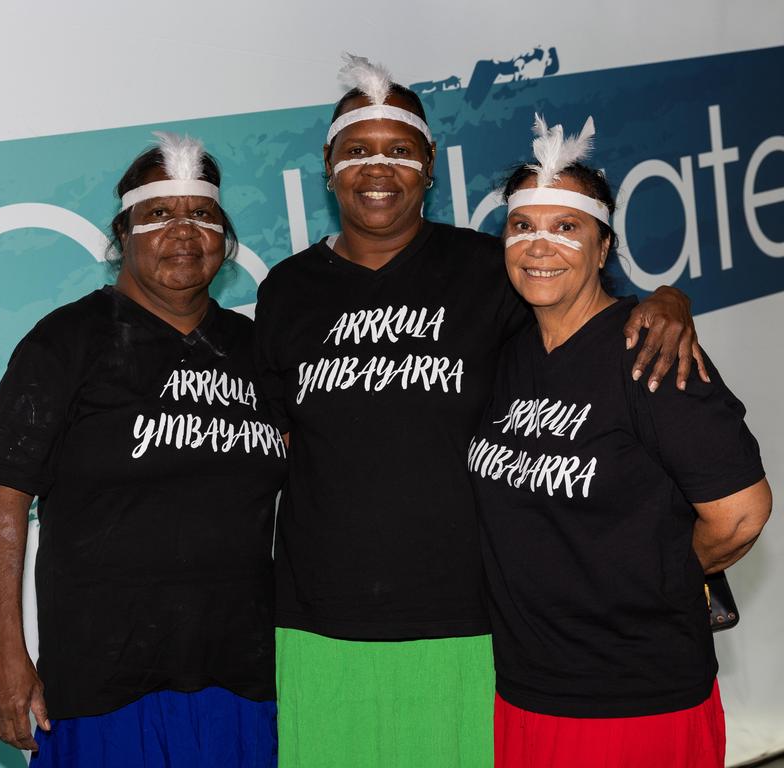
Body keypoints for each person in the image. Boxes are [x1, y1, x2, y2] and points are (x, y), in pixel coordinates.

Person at [254, 54, 704, 767]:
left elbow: (584, 321)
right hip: (320, 620)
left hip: (471, 618)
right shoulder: (285, 291)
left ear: (429, 164)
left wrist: (668, 300)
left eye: (399, 150)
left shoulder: (488, 270)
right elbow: (276, 444)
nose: (378, 167)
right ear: (328, 165)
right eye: (358, 150)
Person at [470, 115, 772, 768]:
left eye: (566, 227)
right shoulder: (507, 353)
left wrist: (667, 574)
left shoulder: (650, 350)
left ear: (603, 247)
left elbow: (742, 512)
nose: (540, 245)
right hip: (528, 691)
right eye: (524, 226)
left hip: (634, 701)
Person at [0, 132, 286, 767]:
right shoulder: (64, 342)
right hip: (104, 681)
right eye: (158, 214)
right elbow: (5, 496)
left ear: (224, 243)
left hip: (242, 674)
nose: (182, 231)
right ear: (123, 235)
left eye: (201, 214)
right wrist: (6, 652)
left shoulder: (258, 350)